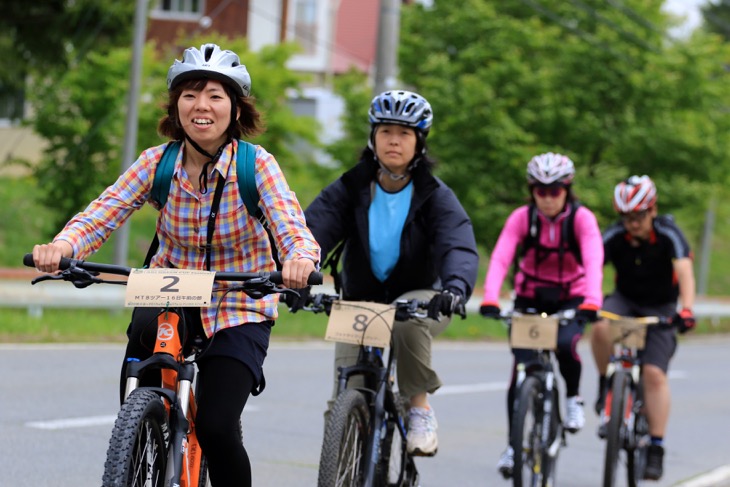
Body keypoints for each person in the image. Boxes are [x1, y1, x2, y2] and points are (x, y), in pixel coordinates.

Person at [29, 43, 320, 487]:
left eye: (214, 96)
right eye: (189, 94)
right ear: (175, 105)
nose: (201, 106)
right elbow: (103, 213)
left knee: (218, 426)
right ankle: (144, 436)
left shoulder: (256, 165)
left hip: (239, 302)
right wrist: (64, 245)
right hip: (169, 291)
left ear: (236, 108)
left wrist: (299, 259)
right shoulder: (157, 163)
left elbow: (288, 223)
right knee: (134, 390)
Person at [290, 89, 479, 457]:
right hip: (360, 299)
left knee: (407, 323)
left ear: (419, 143)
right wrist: (299, 272)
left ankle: (419, 409)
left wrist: (455, 286)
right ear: (372, 137)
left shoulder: (435, 195)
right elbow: (314, 229)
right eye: (386, 131)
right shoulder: (351, 186)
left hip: (421, 296)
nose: (394, 140)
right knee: (347, 394)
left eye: (405, 133)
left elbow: (457, 243)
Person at [478, 152, 604, 479]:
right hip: (530, 295)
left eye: (555, 191)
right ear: (532, 190)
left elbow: (593, 259)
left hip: (572, 296)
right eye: (540, 191)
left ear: (567, 189)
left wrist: (592, 299)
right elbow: (502, 257)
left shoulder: (581, 219)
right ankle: (512, 444)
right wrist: (490, 296)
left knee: (565, 344)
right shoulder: (522, 217)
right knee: (520, 370)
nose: (547, 199)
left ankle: (574, 398)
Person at [590, 175, 696, 481]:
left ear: (652, 210)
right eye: (625, 217)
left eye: (638, 216)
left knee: (653, 373)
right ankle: (605, 384)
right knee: (599, 328)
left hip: (661, 309)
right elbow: (592, 265)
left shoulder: (668, 233)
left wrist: (686, 309)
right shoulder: (615, 234)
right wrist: (589, 300)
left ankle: (656, 447)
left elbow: (685, 271)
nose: (632, 224)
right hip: (625, 300)